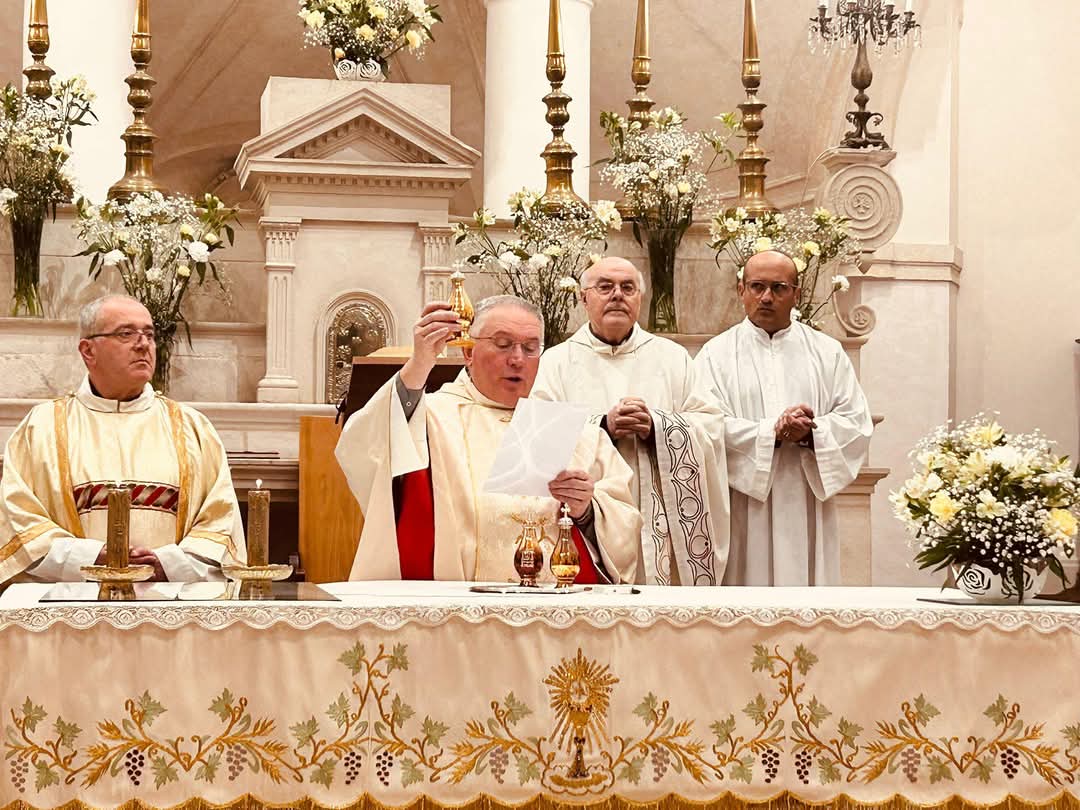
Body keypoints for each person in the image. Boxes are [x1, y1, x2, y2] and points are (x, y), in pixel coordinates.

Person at [335, 294, 640, 583]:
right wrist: (420, 364)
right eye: (503, 344)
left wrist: (586, 510)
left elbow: (625, 525)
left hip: (553, 611)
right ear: (469, 352)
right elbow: (367, 445)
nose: (517, 359)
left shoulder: (576, 432)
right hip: (457, 609)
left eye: (530, 348)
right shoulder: (431, 417)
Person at [0, 295, 246, 585]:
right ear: (88, 351)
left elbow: (219, 522)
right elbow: (19, 523)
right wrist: (91, 558)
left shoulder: (193, 429)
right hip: (74, 603)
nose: (143, 344)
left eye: (149, 334)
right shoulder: (42, 428)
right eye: (126, 333)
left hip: (168, 601)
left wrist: (168, 564)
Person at [532, 257, 729, 585]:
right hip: (588, 513)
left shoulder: (672, 358)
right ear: (584, 298)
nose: (617, 295)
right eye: (605, 287)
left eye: (628, 288)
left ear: (640, 298)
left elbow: (711, 425)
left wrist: (658, 426)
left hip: (660, 514)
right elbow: (539, 436)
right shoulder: (556, 362)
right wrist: (603, 425)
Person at [695, 250, 873, 585]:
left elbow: (855, 422)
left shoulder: (827, 352)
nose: (766, 297)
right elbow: (705, 426)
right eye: (757, 286)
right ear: (741, 290)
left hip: (806, 501)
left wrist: (812, 433)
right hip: (745, 506)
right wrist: (771, 434)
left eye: (778, 288)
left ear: (797, 294)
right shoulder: (715, 355)